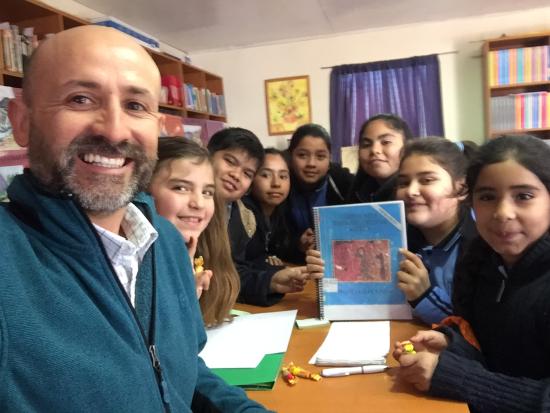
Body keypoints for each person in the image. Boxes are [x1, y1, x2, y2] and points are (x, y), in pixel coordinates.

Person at [1, 25, 269, 412]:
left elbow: (177, 371)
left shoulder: (166, 241)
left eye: (136, 106)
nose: (113, 129)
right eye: (80, 99)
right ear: (22, 121)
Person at [393, 135, 550, 413]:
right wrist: (453, 342)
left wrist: (456, 377)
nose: (503, 212)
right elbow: (494, 346)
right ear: (472, 200)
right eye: (488, 196)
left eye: (524, 196)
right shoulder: (483, 261)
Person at [207, 128, 311, 306]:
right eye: (230, 161)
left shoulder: (238, 215)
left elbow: (234, 272)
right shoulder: (186, 209)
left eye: (247, 173)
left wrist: (272, 281)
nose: (236, 175)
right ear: (207, 157)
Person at [148, 136, 239, 327]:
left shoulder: (201, 252)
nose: (198, 203)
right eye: (180, 188)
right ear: (145, 192)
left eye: (207, 192)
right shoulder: (132, 265)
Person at [395, 137, 478, 325]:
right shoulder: (398, 238)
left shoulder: (479, 249)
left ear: (462, 189)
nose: (411, 191)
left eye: (427, 180)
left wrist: (424, 296)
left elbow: (477, 330)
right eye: (403, 183)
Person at [287, 123, 354, 258]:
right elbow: (274, 240)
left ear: (329, 159)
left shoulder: (343, 183)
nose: (311, 163)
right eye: (302, 155)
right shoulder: (281, 184)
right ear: (290, 156)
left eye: (320, 156)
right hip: (296, 267)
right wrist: (297, 244)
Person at [243, 148, 293, 267]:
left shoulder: (282, 211)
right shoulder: (242, 213)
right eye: (266, 175)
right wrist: (263, 260)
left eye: (283, 176)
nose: (276, 183)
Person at [347, 113, 413, 203]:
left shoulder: (414, 194)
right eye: (366, 145)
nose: (374, 150)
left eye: (386, 142)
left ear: (407, 146)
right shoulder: (358, 192)